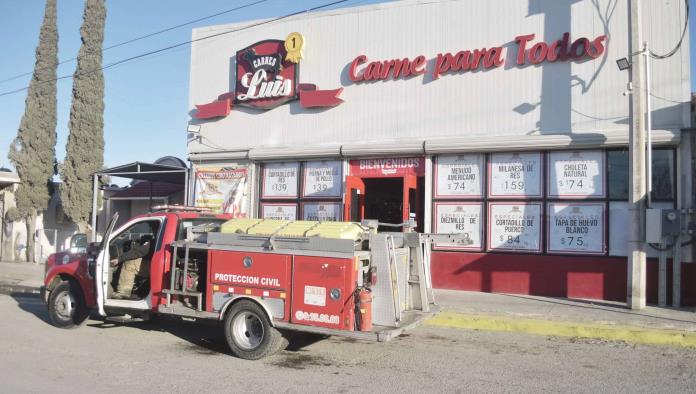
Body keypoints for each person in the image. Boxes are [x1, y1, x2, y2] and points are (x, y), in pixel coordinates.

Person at [111, 235, 155, 299]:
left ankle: (124, 293)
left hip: (159, 267)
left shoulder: (160, 238)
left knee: (130, 264)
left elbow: (138, 252)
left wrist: (119, 259)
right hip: (168, 268)